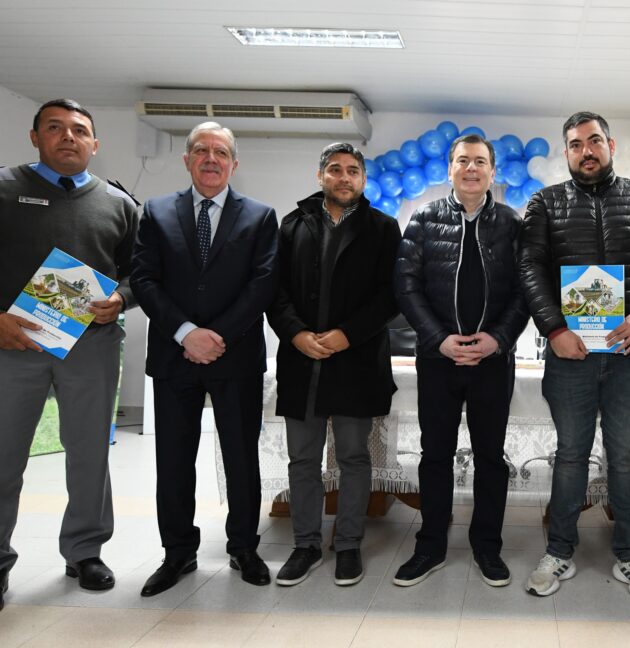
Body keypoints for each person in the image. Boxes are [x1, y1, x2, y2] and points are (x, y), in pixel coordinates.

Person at [519, 111, 630, 602]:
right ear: (567, 152)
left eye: (593, 141)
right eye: (575, 144)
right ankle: (559, 551)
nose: (585, 151)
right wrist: (553, 328)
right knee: (570, 454)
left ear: (611, 146)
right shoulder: (545, 202)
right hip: (570, 353)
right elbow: (530, 268)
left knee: (626, 457)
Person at [0, 98, 138, 607]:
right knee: (3, 456)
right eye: (55, 128)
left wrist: (121, 299)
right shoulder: (4, 187)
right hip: (14, 344)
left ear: (94, 144)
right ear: (35, 136)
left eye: (79, 130)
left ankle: (85, 552)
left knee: (89, 454)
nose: (68, 137)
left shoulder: (118, 203)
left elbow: (139, 271)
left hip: (91, 347)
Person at [131, 121, 278, 597]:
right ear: (187, 159)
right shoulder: (156, 212)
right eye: (201, 150)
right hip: (174, 357)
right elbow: (144, 279)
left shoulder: (260, 216)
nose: (211, 159)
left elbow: (263, 284)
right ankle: (178, 552)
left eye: (220, 152)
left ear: (234, 163)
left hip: (235, 357)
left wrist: (217, 336)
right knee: (173, 460)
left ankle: (244, 548)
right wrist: (186, 333)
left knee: (241, 458)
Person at [392, 134, 529, 588]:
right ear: (449, 168)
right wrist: (439, 340)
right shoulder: (424, 219)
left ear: (493, 171)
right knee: (435, 455)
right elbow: (406, 286)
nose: (472, 168)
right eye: (463, 161)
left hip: (492, 361)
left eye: (480, 162)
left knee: (491, 457)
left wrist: (498, 339)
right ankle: (430, 546)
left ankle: (487, 547)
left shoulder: (512, 223)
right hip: (438, 360)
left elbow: (525, 291)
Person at [267, 142, 400, 587]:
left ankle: (347, 544)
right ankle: (305, 545)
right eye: (336, 169)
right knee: (302, 459)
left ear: (363, 179)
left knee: (353, 458)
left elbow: (391, 295)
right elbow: (274, 291)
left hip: (356, 361)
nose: (344, 177)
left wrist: (348, 333)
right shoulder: (292, 224)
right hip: (302, 360)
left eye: (353, 171)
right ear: (320, 175)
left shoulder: (383, 228)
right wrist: (296, 333)